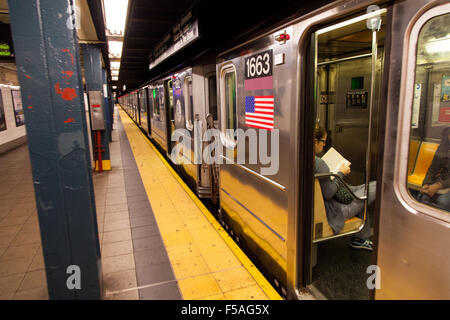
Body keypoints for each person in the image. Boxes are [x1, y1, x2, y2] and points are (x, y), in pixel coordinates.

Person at [314, 124, 376, 251]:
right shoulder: (319, 164)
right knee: (376, 187)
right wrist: (340, 174)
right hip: (334, 211)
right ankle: (361, 239)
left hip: (328, 205)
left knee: (363, 189)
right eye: (323, 142)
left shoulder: (304, 158)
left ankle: (361, 238)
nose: (324, 145)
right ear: (315, 141)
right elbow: (328, 193)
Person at [416, 127, 450, 211]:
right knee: (423, 197)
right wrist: (426, 184)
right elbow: (432, 169)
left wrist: (438, 185)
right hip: (443, 180)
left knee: (443, 202)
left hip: (444, 183)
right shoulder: (443, 148)